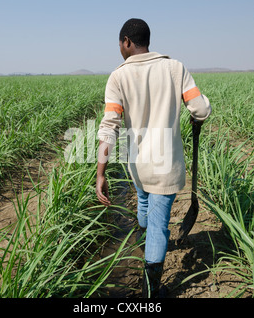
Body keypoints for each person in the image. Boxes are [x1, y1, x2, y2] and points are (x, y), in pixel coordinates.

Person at [96, 18, 211, 298]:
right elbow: (200, 109)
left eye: (119, 44)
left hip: (137, 164)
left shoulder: (118, 76)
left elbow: (109, 127)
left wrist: (100, 174)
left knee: (145, 206)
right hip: (166, 167)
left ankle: (145, 247)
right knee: (160, 225)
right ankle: (153, 289)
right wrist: (198, 115)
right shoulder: (175, 68)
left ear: (126, 42)